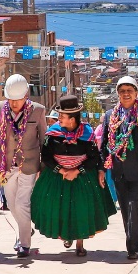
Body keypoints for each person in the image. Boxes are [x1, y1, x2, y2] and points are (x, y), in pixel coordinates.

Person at [31, 96, 116, 257]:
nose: (59, 118)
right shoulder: (53, 134)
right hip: (57, 175)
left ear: (72, 118)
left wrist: (77, 171)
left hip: (82, 175)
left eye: (62, 116)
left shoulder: (87, 134)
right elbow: (46, 156)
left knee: (80, 209)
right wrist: (62, 170)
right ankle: (66, 234)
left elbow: (93, 157)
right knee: (60, 208)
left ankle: (79, 243)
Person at [100, 76, 138, 260]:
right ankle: (131, 240)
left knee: (134, 203)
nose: (126, 94)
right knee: (125, 208)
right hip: (118, 170)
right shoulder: (111, 116)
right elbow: (104, 143)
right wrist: (102, 168)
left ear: (136, 93)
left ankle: (133, 246)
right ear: (118, 94)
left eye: (130, 91)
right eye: (122, 91)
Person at [0, 74, 47, 258]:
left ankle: (24, 245)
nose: (14, 104)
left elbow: (43, 139)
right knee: (12, 205)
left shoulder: (38, 111)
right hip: (6, 166)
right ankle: (25, 229)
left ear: (26, 96)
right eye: (11, 100)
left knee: (23, 204)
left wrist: (44, 166)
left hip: (29, 165)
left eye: (18, 100)